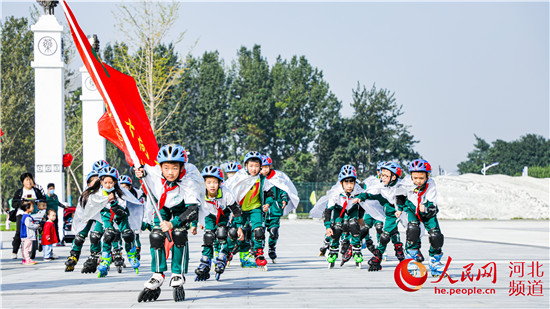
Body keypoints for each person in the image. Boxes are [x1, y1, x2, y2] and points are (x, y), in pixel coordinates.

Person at [134, 144, 205, 302]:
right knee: (156, 236)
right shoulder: (156, 172)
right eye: (166, 168)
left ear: (181, 167)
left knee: (179, 234)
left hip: (182, 209)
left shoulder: (189, 180)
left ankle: (177, 273)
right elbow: (143, 169)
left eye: (174, 168)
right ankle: (157, 273)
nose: (170, 172)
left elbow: (193, 210)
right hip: (162, 206)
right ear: (161, 167)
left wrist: (173, 223)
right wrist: (139, 172)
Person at [352, 162, 407, 271]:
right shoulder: (382, 185)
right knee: (388, 233)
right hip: (390, 213)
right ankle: (395, 252)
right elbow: (371, 194)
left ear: (394, 177)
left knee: (391, 234)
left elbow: (402, 198)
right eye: (382, 175)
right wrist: (361, 197)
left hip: (404, 211)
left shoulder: (401, 186)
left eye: (386, 176)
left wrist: (400, 209)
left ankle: (381, 256)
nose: (382, 178)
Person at [224, 151, 275, 270]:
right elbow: (228, 191)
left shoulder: (262, 179)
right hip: (240, 209)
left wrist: (267, 203)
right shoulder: (240, 177)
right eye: (251, 166)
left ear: (260, 167)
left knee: (258, 231)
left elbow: (270, 194)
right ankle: (226, 253)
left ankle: (258, 253)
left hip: (255, 209)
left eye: (257, 166)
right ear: (246, 166)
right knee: (234, 232)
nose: (254, 169)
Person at [195, 165, 244, 281]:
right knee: (208, 236)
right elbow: (197, 209)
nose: (212, 186)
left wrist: (239, 227)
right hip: (209, 216)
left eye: (215, 182)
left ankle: (222, 256)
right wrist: (197, 223)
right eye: (209, 182)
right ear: (204, 183)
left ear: (220, 183)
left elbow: (237, 211)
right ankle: (205, 260)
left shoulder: (226, 193)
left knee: (223, 234)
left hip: (223, 215)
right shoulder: (201, 194)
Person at [94, 167, 141, 278]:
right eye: (106, 182)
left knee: (127, 234)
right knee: (108, 234)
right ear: (101, 182)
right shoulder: (99, 193)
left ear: (115, 182)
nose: (108, 185)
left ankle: (131, 254)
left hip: (121, 215)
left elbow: (122, 211)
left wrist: (113, 202)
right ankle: (105, 259)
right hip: (107, 215)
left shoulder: (121, 193)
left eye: (111, 182)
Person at [401, 159, 446, 277]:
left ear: (428, 176)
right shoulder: (405, 183)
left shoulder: (431, 184)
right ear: (411, 175)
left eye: (421, 178)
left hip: (426, 212)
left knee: (436, 236)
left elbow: (432, 203)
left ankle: (435, 261)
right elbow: (399, 197)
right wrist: (399, 209)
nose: (418, 181)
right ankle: (411, 257)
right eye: (415, 178)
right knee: (413, 229)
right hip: (412, 209)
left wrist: (426, 207)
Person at [321, 165, 365, 269]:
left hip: (352, 210)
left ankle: (357, 250)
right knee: (337, 227)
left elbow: (362, 206)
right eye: (346, 182)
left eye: (352, 182)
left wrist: (360, 217)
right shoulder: (336, 193)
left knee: (354, 225)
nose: (349, 185)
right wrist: (328, 226)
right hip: (339, 210)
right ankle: (333, 251)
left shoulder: (358, 191)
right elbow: (328, 211)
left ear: (355, 182)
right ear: (341, 183)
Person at [259, 154, 299, 263]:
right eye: (262, 168)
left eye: (266, 167)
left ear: (270, 166)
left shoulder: (276, 177)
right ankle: (259, 251)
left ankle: (272, 248)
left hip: (274, 210)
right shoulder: (258, 179)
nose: (264, 170)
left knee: (274, 231)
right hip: (261, 211)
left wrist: (284, 199)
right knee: (259, 233)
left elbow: (283, 189)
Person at [11, 173, 46, 259]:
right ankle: (14, 251)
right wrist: (23, 202)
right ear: (23, 182)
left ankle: (48, 250)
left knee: (45, 230)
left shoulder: (36, 191)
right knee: (19, 232)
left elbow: (43, 200)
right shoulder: (19, 192)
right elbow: (14, 203)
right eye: (26, 180)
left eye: (30, 179)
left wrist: (39, 203)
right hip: (22, 214)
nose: (29, 182)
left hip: (35, 214)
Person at [119, 174, 146, 260]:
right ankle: (117, 250)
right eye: (121, 187)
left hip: (134, 215)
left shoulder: (137, 193)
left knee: (135, 233)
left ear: (130, 187)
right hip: (122, 215)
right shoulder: (117, 193)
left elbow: (144, 200)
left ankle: (137, 249)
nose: (123, 189)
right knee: (118, 233)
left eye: (125, 187)